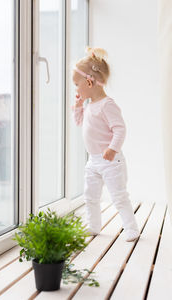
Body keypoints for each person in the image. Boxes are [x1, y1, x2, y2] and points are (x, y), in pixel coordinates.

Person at [71, 46, 140, 242]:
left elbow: (120, 129)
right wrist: (77, 107)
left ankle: (131, 228)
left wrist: (112, 148)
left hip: (110, 160)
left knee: (118, 196)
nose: (76, 89)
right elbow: (78, 122)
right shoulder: (90, 105)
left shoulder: (107, 105)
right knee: (89, 195)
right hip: (93, 160)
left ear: (89, 81)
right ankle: (93, 225)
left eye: (77, 84)